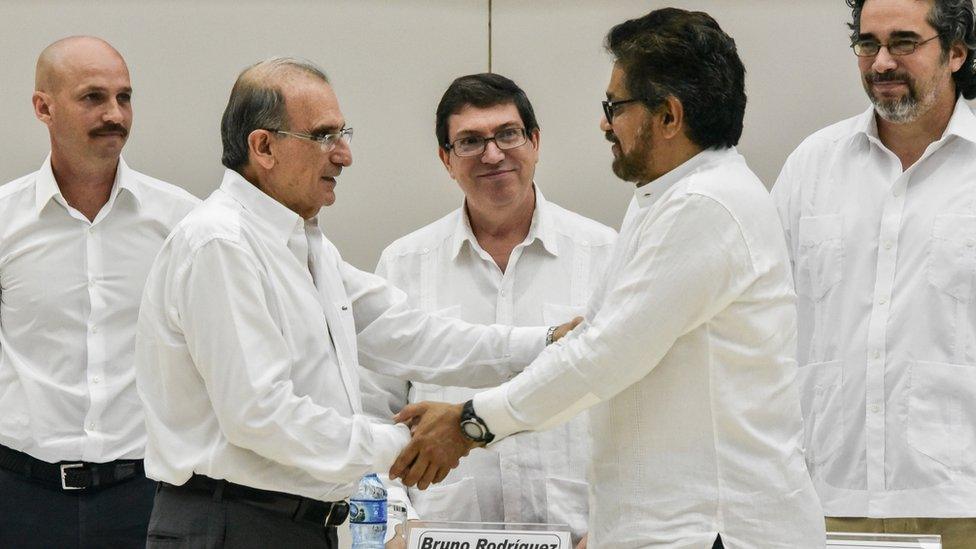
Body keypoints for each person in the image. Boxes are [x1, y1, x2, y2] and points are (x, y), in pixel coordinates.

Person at [390, 8, 825, 549]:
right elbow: (595, 342)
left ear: (668, 116)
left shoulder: (707, 206)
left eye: (614, 106)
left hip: (710, 528)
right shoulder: (662, 199)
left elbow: (604, 356)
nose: (604, 123)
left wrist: (472, 422)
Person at [135, 57, 577, 548]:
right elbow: (260, 414)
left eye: (343, 134)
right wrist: (415, 443)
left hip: (296, 525)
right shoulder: (220, 244)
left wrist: (549, 342)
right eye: (324, 136)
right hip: (230, 524)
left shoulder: (307, 246)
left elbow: (410, 333)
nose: (344, 155)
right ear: (264, 147)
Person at [361, 73, 614, 547]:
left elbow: (634, 409)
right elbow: (373, 411)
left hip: (582, 537)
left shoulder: (605, 255)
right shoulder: (402, 264)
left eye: (508, 134)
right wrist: (394, 527)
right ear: (446, 159)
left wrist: (606, 532)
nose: (493, 153)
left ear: (535, 142)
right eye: (470, 141)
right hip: (438, 537)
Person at [770, 1, 976, 547]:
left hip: (962, 501)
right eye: (868, 44)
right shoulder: (811, 166)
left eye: (904, 42)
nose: (881, 62)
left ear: (956, 51)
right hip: (826, 497)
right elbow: (763, 325)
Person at [0, 36, 199, 548]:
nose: (115, 114)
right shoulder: (4, 222)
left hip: (147, 495)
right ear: (43, 107)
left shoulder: (181, 222)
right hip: (18, 496)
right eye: (93, 97)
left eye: (124, 97)